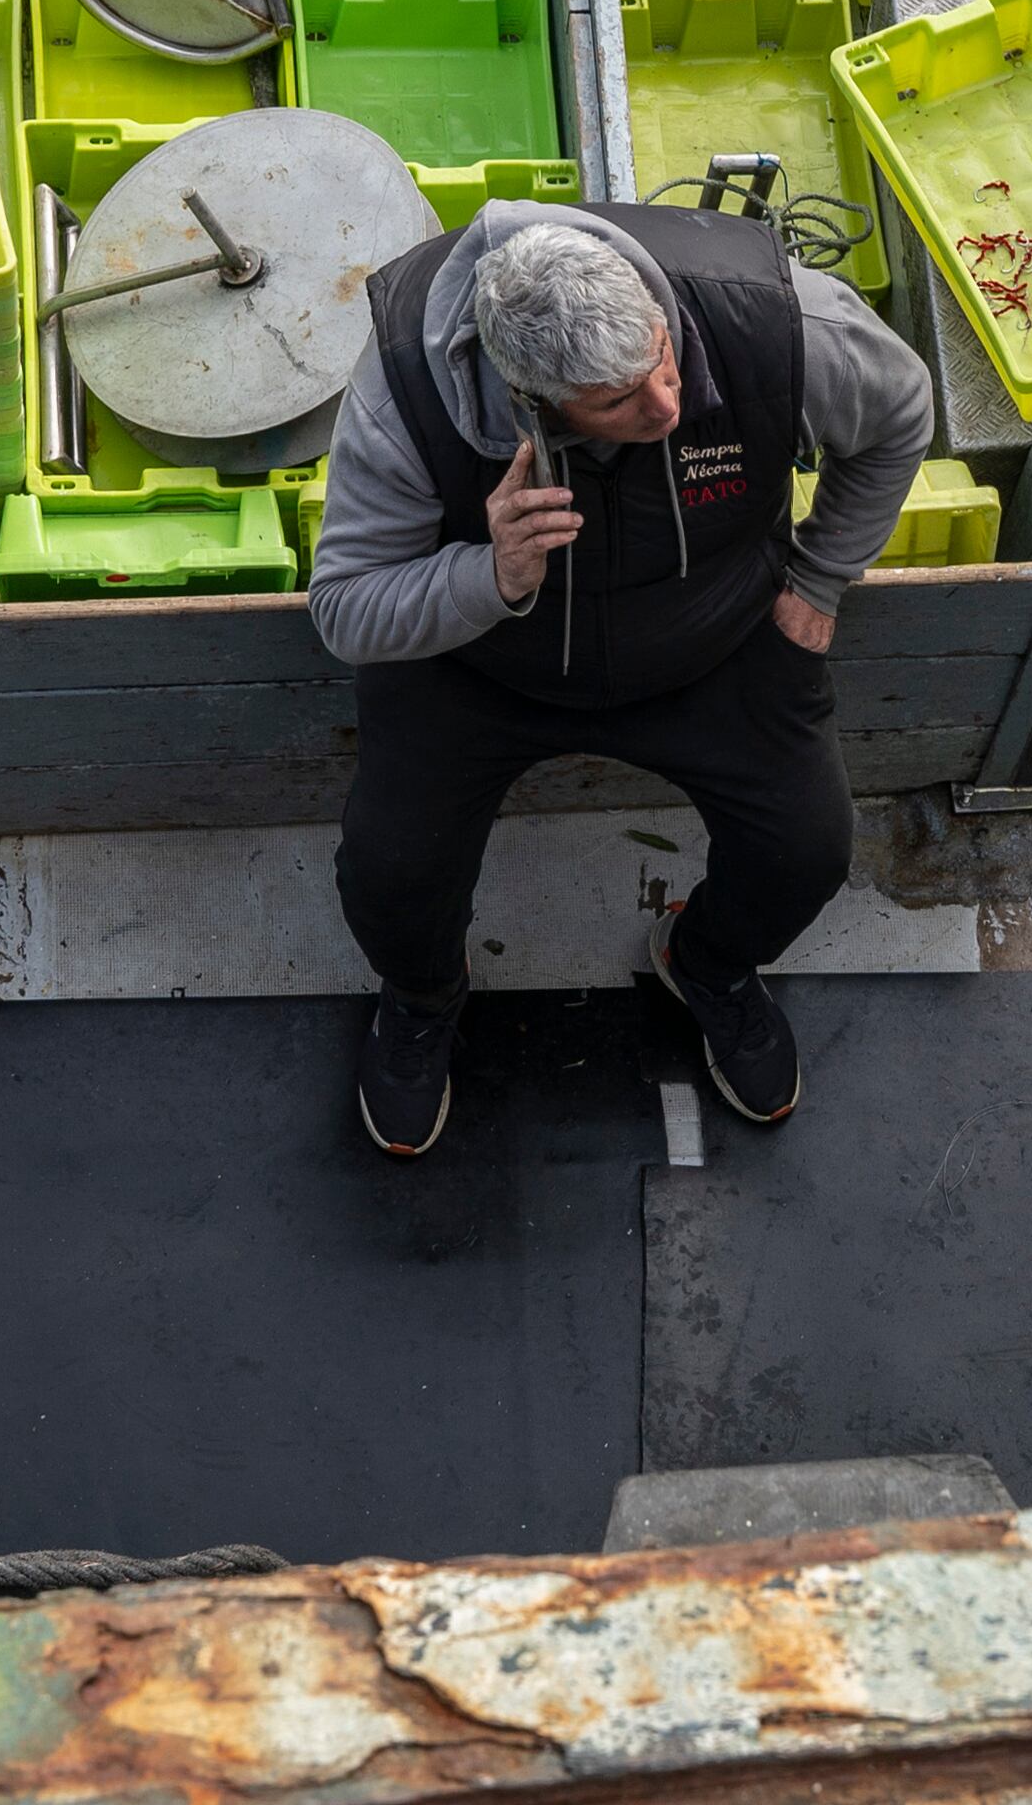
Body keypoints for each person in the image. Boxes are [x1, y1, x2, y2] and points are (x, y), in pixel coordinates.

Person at [308, 201, 938, 1158]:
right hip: (481, 662)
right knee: (389, 877)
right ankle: (425, 995)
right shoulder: (404, 396)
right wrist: (492, 576)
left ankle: (707, 965)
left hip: (714, 641)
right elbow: (345, 606)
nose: (667, 408)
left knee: (806, 851)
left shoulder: (780, 326)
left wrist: (820, 577)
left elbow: (900, 415)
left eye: (662, 359)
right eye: (616, 401)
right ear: (531, 399)